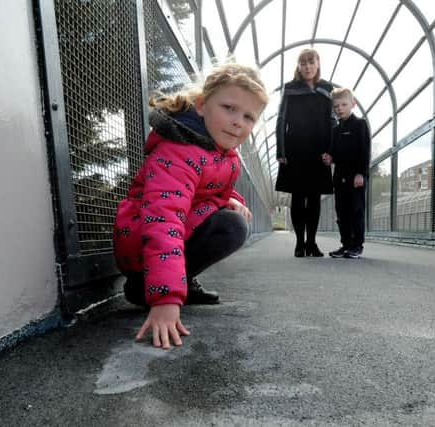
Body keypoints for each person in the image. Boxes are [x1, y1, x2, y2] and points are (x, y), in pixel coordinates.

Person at [113, 63, 268, 349]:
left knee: (232, 220)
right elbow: (163, 219)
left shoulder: (221, 152)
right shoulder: (179, 150)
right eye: (229, 108)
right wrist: (165, 299)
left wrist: (230, 198)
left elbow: (212, 189)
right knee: (230, 225)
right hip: (141, 240)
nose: (238, 122)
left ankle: (178, 280)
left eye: (249, 117)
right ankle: (145, 286)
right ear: (201, 106)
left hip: (172, 230)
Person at [274, 48, 334, 258]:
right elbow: (281, 119)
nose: (307, 67)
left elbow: (332, 120)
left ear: (318, 64)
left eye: (311, 62)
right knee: (298, 196)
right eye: (303, 63)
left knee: (315, 197)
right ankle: (299, 243)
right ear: (298, 66)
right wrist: (281, 150)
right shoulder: (291, 88)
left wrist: (331, 150)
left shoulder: (327, 88)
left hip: (319, 150)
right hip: (295, 148)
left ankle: (312, 243)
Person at [323, 87, 371, 259]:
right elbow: (334, 153)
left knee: (355, 211)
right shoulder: (335, 130)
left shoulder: (360, 124)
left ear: (353, 104)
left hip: (355, 177)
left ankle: (357, 245)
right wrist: (330, 158)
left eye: (343, 105)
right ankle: (346, 244)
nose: (340, 109)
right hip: (339, 177)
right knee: (341, 212)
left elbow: (364, 151)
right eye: (336, 106)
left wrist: (361, 173)